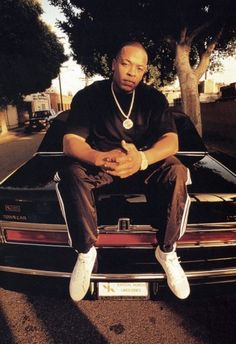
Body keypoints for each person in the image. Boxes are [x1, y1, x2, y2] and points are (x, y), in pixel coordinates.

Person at [55, 41, 191, 302]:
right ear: (114, 63)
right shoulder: (89, 96)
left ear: (145, 71)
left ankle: (167, 250)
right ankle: (85, 252)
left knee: (177, 170)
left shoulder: (154, 99)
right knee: (70, 172)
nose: (132, 72)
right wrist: (98, 157)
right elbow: (70, 142)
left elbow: (171, 141)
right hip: (102, 166)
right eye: (126, 64)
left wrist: (141, 158)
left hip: (143, 166)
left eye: (139, 68)